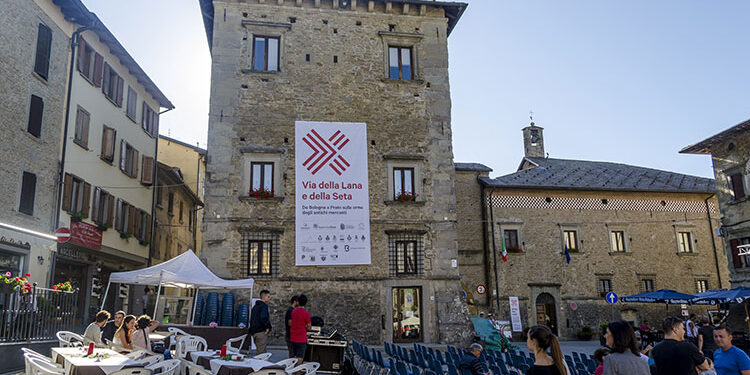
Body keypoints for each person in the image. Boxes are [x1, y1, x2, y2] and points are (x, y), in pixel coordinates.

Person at [290, 294, 311, 366]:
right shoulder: (306, 313)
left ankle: (294, 371)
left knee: (295, 356)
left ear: (298, 302)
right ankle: (297, 371)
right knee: (300, 357)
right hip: (301, 338)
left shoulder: (293, 312)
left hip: (293, 337)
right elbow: (309, 327)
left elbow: (291, 322)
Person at [249, 289, 272, 354]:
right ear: (264, 297)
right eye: (268, 297)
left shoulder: (255, 307)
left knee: (258, 351)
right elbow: (264, 317)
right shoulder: (263, 306)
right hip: (261, 331)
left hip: (254, 332)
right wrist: (268, 327)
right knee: (261, 353)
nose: (269, 298)